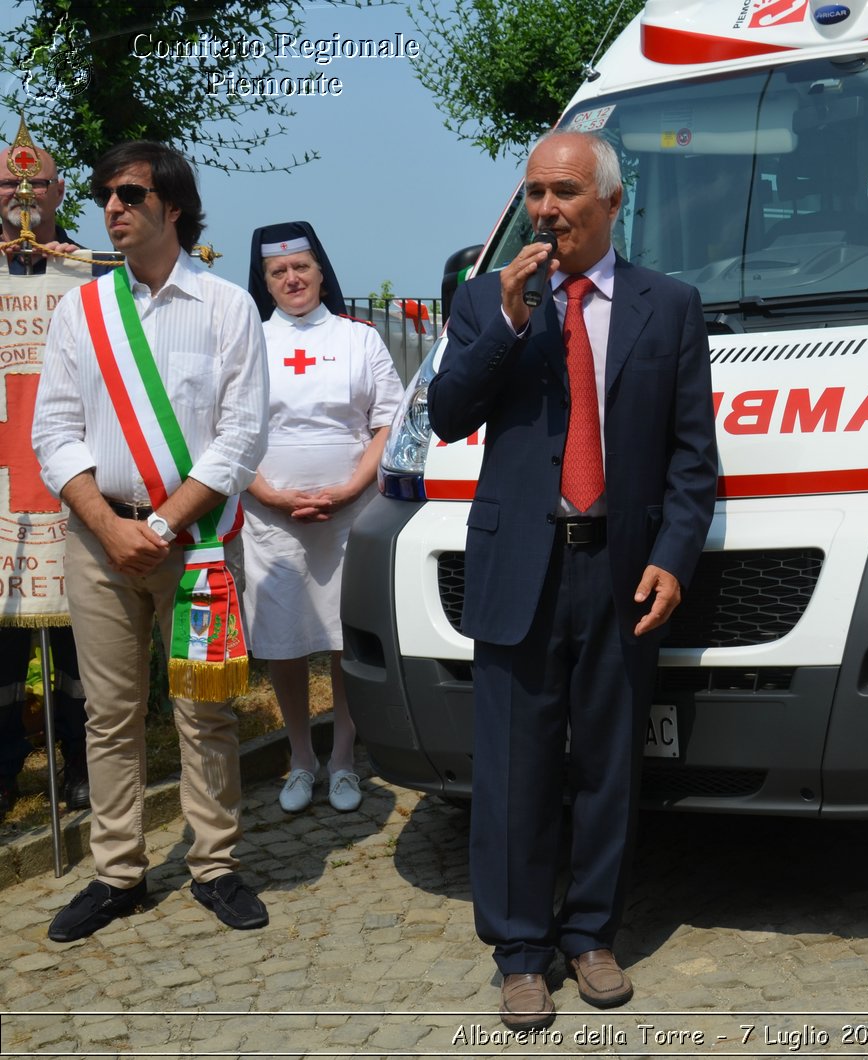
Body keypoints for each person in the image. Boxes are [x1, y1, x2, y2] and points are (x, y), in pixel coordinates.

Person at [428, 130, 717, 1030]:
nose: (546, 210)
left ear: (611, 201)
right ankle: (518, 952)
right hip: (521, 566)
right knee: (513, 770)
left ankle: (591, 931)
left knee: (607, 764)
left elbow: (691, 458)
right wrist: (511, 326)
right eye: (535, 194)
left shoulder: (668, 307)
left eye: (564, 193)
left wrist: (672, 556)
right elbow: (445, 415)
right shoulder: (489, 301)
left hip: (622, 571)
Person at [31, 141, 270, 939]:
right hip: (100, 539)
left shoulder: (227, 306)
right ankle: (119, 873)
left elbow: (240, 437)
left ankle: (215, 865)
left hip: (194, 541)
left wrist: (163, 525)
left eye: (130, 194)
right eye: (105, 194)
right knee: (110, 712)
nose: (112, 207)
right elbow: (54, 430)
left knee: (205, 709)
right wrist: (109, 524)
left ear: (173, 205)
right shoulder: (82, 309)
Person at [242, 221, 403, 814]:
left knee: (343, 639)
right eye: (278, 272)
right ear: (264, 282)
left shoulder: (360, 340)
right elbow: (225, 432)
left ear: (321, 272)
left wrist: (352, 487)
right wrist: (274, 496)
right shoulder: (248, 343)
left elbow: (388, 419)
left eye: (302, 268)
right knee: (284, 642)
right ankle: (300, 758)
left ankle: (341, 759)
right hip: (272, 516)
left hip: (349, 513)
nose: (292, 279)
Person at [0, 142, 90, 818]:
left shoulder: (93, 277)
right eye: (8, 182)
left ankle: (85, 773)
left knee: (83, 659)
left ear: (60, 192)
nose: (22, 195)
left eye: (37, 183)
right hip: (3, 495)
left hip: (77, 492)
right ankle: (3, 777)